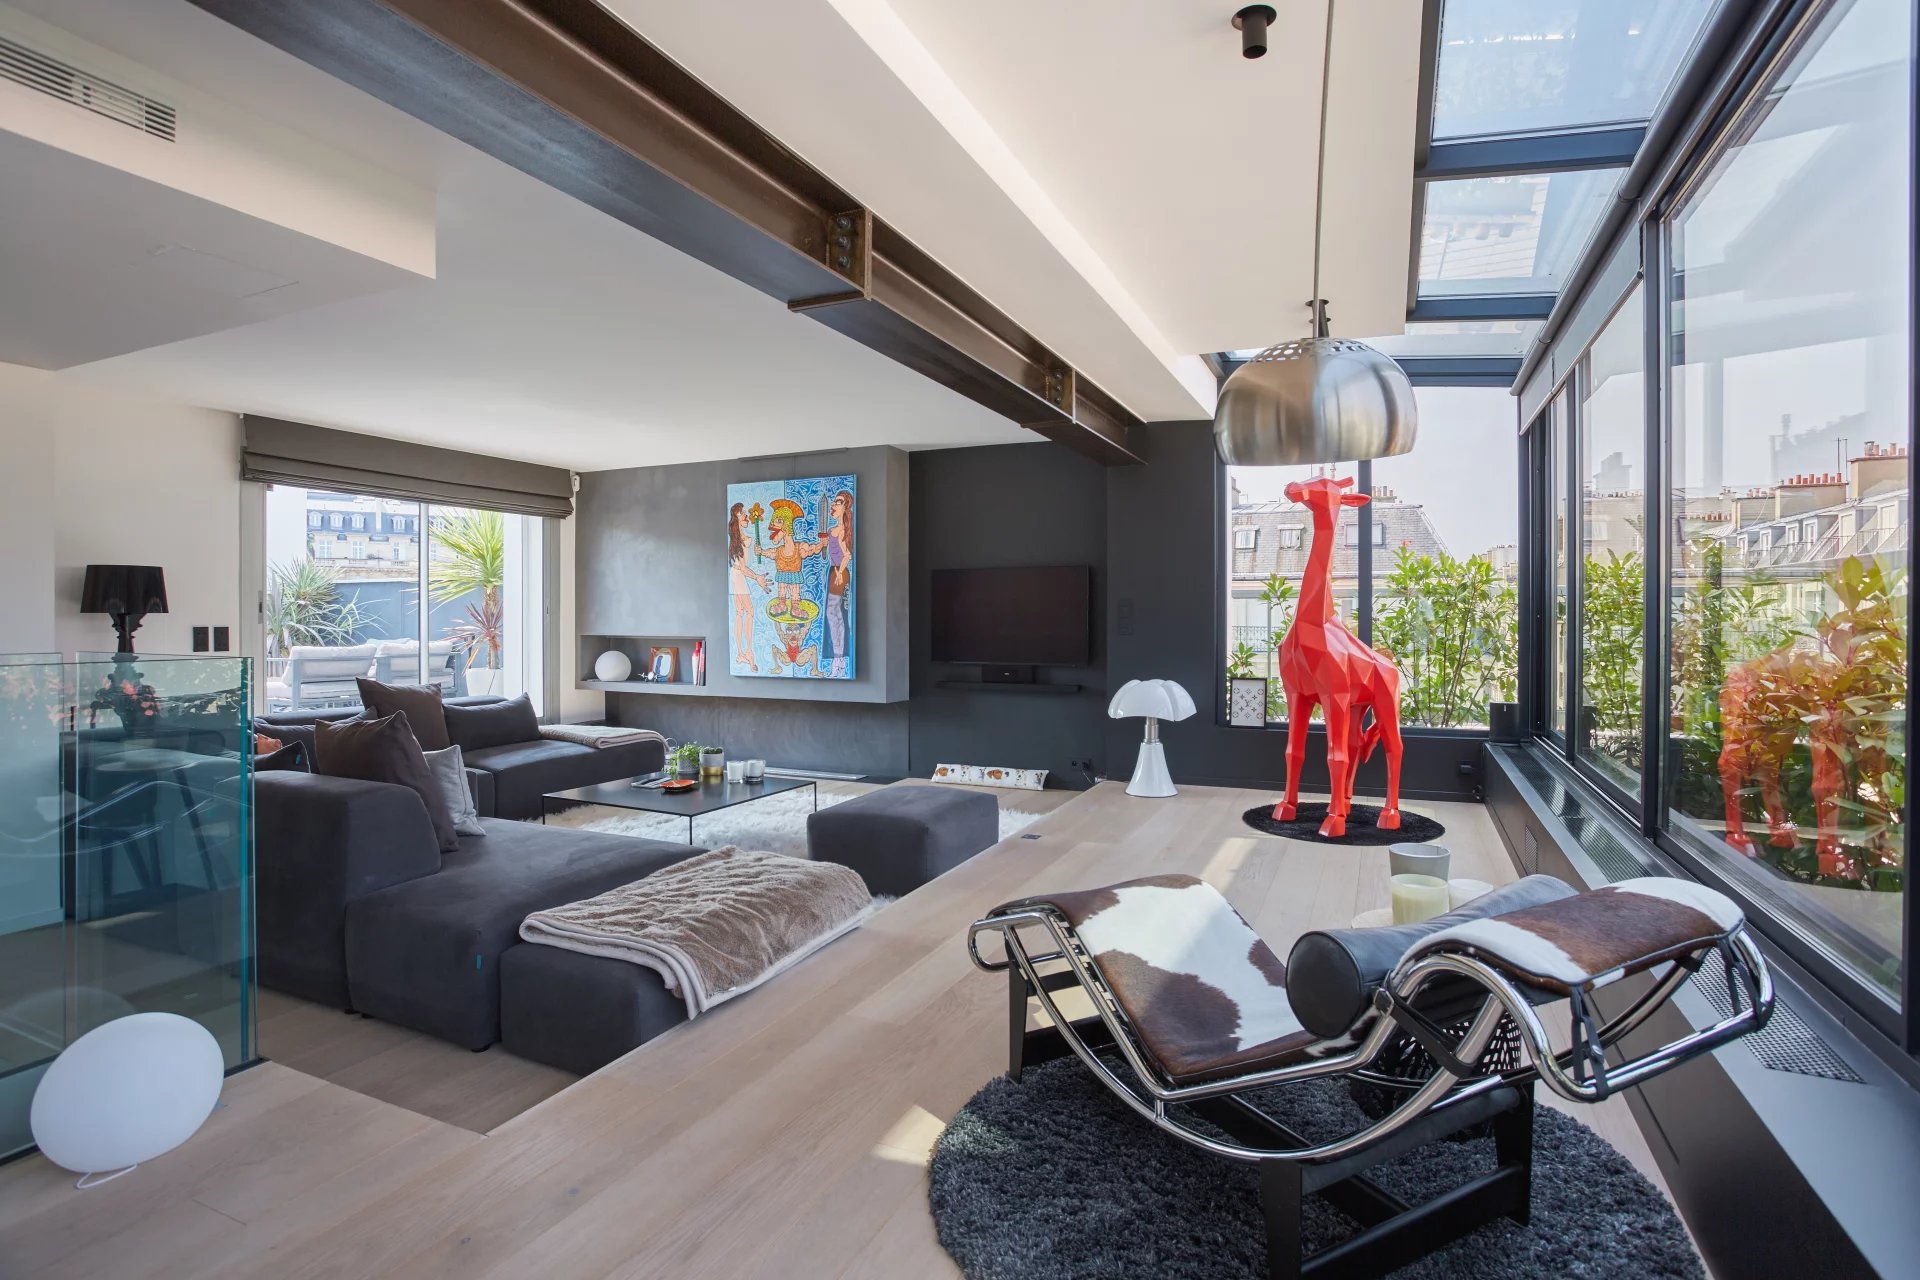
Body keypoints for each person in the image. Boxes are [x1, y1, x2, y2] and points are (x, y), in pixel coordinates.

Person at [727, 502, 769, 671]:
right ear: (736, 519)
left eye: (744, 512)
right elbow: (743, 568)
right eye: (741, 513)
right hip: (738, 576)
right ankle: (748, 652)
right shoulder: (741, 540)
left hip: (735, 575)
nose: (745, 515)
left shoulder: (739, 539)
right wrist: (757, 577)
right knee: (749, 612)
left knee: (739, 613)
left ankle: (741, 653)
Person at [821, 488, 853, 678]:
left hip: (839, 573)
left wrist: (840, 572)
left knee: (834, 614)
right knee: (835, 614)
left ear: (845, 507)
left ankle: (838, 658)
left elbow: (847, 555)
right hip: (833, 572)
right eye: (834, 501)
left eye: (838, 502)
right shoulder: (832, 531)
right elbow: (827, 551)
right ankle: (838, 658)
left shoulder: (843, 531)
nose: (833, 505)